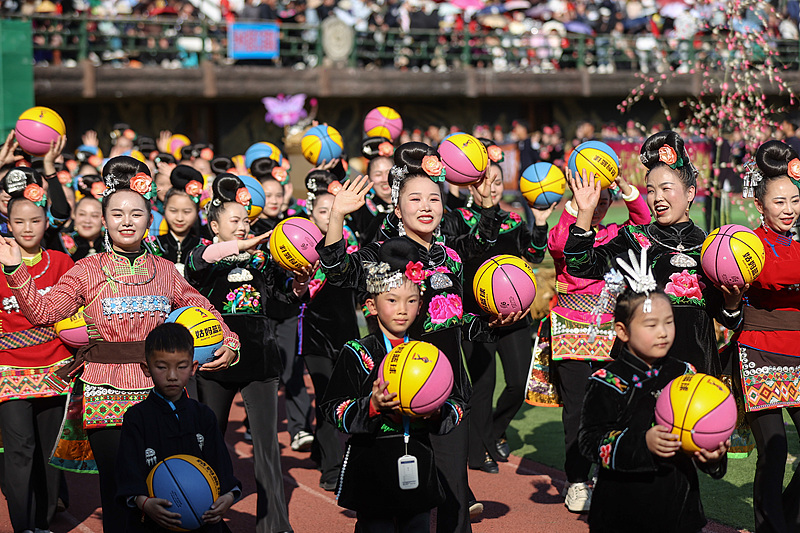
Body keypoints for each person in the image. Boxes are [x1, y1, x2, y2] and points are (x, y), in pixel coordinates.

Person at [0, 155, 239, 532]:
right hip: (104, 394)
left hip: (162, 393)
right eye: (117, 214)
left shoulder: (164, 271)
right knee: (121, 493)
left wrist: (229, 341)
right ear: (106, 220)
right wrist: (15, 270)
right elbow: (44, 312)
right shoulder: (86, 270)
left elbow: (203, 306)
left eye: (135, 214)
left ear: (149, 219)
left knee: (169, 485)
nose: (126, 221)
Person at [318, 142, 520, 533]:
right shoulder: (385, 252)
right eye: (415, 199)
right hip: (401, 386)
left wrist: (497, 322)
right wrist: (336, 219)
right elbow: (339, 271)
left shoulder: (452, 256)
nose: (426, 206)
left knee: (454, 493)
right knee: (393, 499)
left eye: (433, 198)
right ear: (398, 209)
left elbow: (461, 322)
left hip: (450, 390)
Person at [185, 173, 312, 533]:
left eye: (246, 220)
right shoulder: (204, 256)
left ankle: (275, 523)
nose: (243, 227)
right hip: (213, 363)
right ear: (213, 224)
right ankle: (201, 515)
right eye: (234, 221)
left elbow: (281, 307)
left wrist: (297, 290)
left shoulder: (265, 262)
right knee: (206, 442)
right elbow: (198, 261)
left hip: (260, 361)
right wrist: (243, 247)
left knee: (268, 450)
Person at [564, 130, 745, 375]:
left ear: (690, 192)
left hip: (699, 372)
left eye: (666, 188)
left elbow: (730, 321)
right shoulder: (635, 240)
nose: (657, 198)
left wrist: (733, 303)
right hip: (645, 370)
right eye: (650, 190)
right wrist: (584, 213)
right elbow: (581, 265)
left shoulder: (711, 247)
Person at [578, 249, 729, 533]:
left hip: (680, 510)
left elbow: (702, 429)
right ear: (622, 331)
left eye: (668, 322)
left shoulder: (685, 373)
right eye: (651, 325)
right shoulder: (606, 380)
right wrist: (641, 443)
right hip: (622, 513)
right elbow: (590, 441)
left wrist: (712, 456)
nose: (663, 332)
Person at [321, 239, 466, 533]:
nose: (403, 309)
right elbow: (331, 407)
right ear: (371, 305)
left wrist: (437, 413)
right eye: (392, 300)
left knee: (418, 526)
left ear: (421, 305)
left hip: (419, 459)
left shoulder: (429, 355)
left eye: (411, 301)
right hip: (373, 463)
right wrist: (371, 407)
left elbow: (459, 403)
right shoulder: (357, 351)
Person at [439, 144, 550, 474]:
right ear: (472, 184)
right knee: (482, 389)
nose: (492, 186)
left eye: (498, 182)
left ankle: (494, 432)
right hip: (476, 319)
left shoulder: (514, 219)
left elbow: (533, 255)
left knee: (518, 384)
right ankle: (480, 451)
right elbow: (472, 254)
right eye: (486, 181)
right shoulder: (457, 220)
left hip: (515, 316)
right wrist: (486, 211)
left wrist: (540, 222)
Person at [547, 170, 650, 512]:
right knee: (577, 408)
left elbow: (643, 221)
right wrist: (581, 210)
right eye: (593, 197)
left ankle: (606, 476)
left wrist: (625, 187)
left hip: (612, 331)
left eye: (606, 198)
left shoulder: (613, 234)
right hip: (571, 327)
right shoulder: (567, 229)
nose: (600, 203)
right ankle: (577, 480)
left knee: (613, 404)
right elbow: (563, 246)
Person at [0, 174, 75, 533]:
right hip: (9, 370)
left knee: (49, 452)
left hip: (57, 369)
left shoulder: (62, 263)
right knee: (18, 451)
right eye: (18, 221)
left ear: (47, 222)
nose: (27, 228)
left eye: (34, 220)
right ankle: (22, 525)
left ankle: (44, 522)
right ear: (8, 223)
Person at [115, 323, 242, 533]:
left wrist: (227, 496)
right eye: (162, 367)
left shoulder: (204, 416)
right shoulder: (136, 417)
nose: (172, 375)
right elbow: (127, 469)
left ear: (193, 368)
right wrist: (143, 502)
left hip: (203, 519)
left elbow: (221, 465)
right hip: (154, 522)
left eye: (181, 367)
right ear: (146, 369)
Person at [735, 140, 800, 533]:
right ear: (759, 205)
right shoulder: (747, 243)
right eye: (779, 202)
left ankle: (788, 519)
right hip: (759, 349)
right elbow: (774, 276)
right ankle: (770, 527)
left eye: (794, 200)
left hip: (798, 351)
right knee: (775, 452)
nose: (789, 209)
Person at [298, 169, 360, 491]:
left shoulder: (350, 246)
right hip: (314, 336)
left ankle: (317, 448)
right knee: (326, 398)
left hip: (347, 333)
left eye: (333, 209)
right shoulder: (297, 247)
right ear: (311, 214)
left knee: (348, 397)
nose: (328, 215)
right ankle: (331, 469)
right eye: (322, 210)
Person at [145, 164, 203, 276]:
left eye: (187, 212)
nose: (179, 218)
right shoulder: (150, 246)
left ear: (197, 213)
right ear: (165, 209)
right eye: (173, 211)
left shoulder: (204, 247)